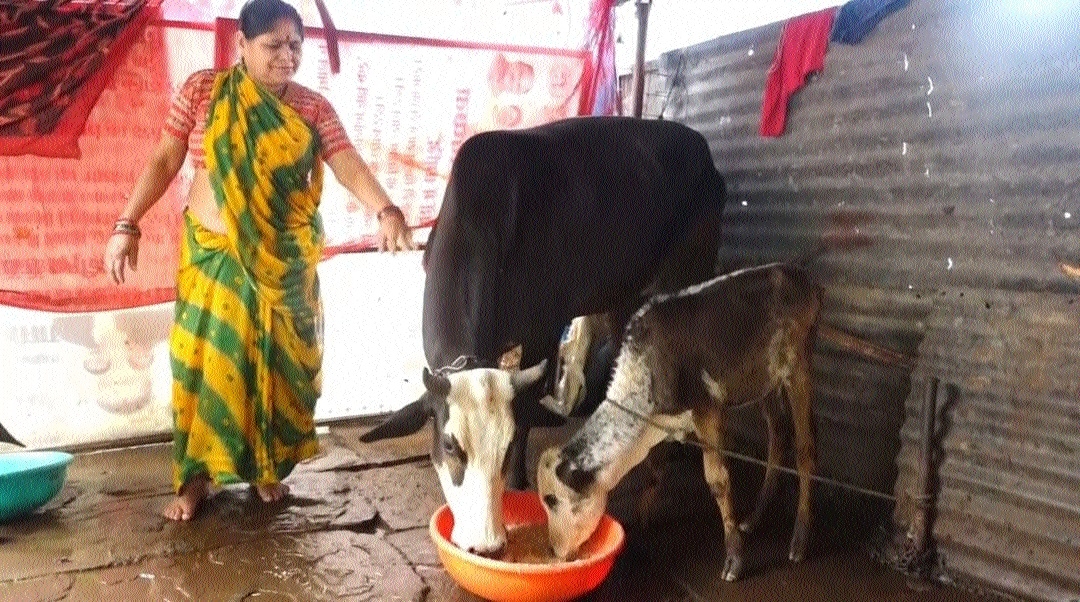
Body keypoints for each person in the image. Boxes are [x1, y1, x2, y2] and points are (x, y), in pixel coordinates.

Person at [103, 0, 414, 521]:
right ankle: (196, 478)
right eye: (273, 45)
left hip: (281, 262)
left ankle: (265, 467)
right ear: (241, 45)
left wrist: (386, 209)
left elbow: (346, 162)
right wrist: (126, 222)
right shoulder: (203, 91)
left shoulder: (312, 108)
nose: (287, 56)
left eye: (295, 45)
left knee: (275, 364)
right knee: (204, 363)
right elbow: (164, 158)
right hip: (213, 256)